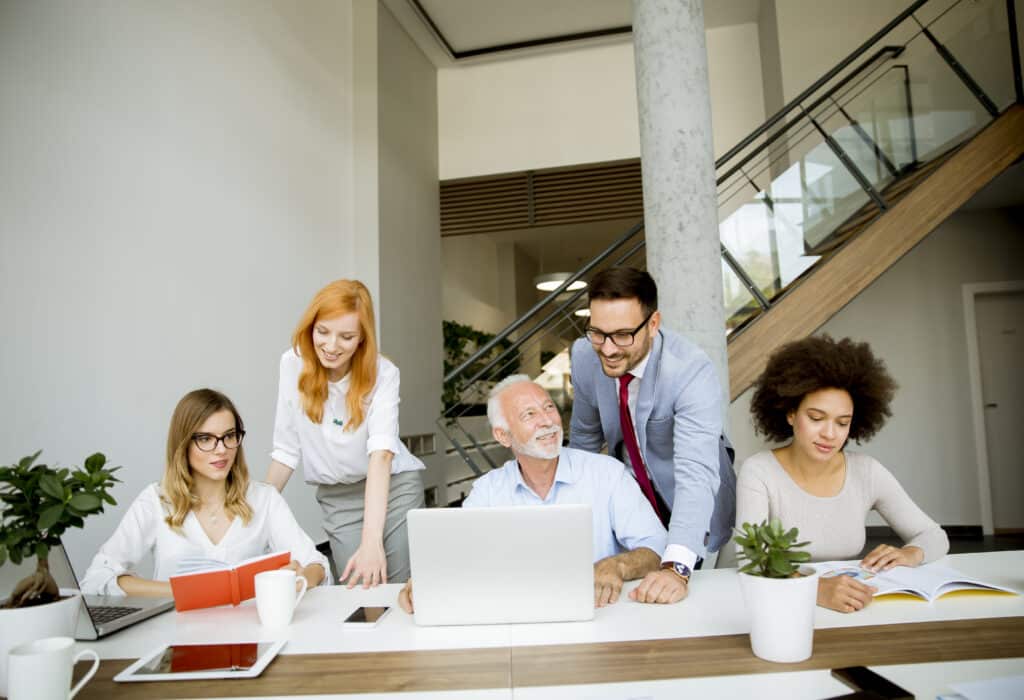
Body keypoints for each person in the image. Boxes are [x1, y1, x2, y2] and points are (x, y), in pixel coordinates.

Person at [399, 375, 674, 614]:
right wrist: (426, 580)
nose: (547, 422)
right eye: (529, 415)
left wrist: (616, 565)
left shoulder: (607, 474)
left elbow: (658, 546)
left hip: (601, 614)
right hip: (515, 621)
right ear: (503, 436)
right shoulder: (488, 491)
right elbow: (458, 557)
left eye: (549, 408)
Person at [736, 335, 949, 613]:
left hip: (846, 607)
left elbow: (934, 536)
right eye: (816, 418)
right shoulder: (759, 471)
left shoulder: (867, 472)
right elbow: (750, 559)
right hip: (770, 606)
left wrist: (909, 553)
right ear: (790, 413)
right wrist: (813, 589)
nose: (829, 433)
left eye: (842, 422)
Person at [569, 266, 736, 600]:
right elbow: (583, 446)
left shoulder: (691, 370)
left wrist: (677, 567)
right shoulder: (585, 357)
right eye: (598, 333)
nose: (609, 349)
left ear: (654, 324)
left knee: (681, 607)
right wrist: (578, 532)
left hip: (691, 507)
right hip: (635, 508)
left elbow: (696, 473)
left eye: (622, 335)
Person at [81, 389, 327, 596]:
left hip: (248, 634)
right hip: (175, 636)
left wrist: (301, 577)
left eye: (229, 436)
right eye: (206, 439)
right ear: (183, 443)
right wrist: (182, 592)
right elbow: (96, 578)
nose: (221, 450)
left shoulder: (264, 499)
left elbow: (317, 565)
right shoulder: (157, 501)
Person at [265, 279, 424, 588]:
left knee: (397, 589)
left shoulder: (383, 374)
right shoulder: (292, 364)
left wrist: (372, 541)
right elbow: (285, 451)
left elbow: (381, 455)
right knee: (360, 595)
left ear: (362, 338)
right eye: (322, 331)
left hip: (392, 488)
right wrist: (250, 511)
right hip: (337, 496)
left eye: (346, 336)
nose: (331, 345)